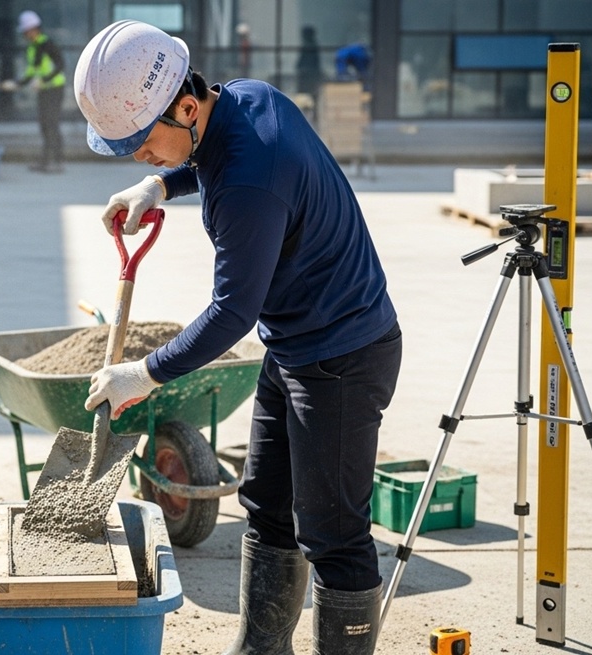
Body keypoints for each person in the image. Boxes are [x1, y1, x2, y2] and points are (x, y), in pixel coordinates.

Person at [75, 20, 400, 655]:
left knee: (334, 535)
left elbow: (231, 315)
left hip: (341, 356)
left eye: (145, 148)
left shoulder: (248, 188)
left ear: (187, 106)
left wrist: (144, 374)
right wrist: (161, 183)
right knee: (267, 505)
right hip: (298, 344)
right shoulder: (248, 98)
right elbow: (219, 157)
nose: (144, 156)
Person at [3, 10, 66, 173]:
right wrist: (17, 83)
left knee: (52, 124)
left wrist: (44, 80)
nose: (25, 35)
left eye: (26, 31)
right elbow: (31, 72)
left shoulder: (47, 44)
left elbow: (60, 65)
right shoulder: (32, 48)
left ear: (33, 29)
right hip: (43, 90)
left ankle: (58, 161)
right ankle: (46, 161)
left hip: (55, 89)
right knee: (44, 125)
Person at [296, 26, 324, 100]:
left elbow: (310, 60)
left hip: (308, 74)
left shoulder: (310, 46)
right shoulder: (309, 45)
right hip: (307, 73)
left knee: (308, 94)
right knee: (306, 95)